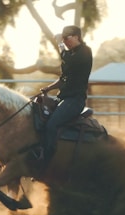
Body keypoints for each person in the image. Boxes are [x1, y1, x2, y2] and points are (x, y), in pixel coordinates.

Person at [36, 25, 93, 163]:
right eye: (64, 39)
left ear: (76, 37)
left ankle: (48, 161)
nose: (65, 42)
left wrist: (60, 45)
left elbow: (68, 60)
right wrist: (49, 88)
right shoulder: (73, 54)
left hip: (75, 100)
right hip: (64, 98)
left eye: (67, 38)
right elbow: (64, 78)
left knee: (52, 124)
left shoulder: (85, 52)